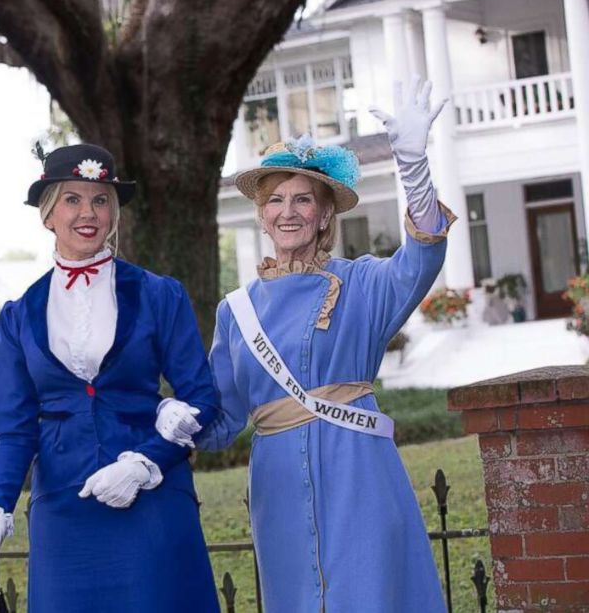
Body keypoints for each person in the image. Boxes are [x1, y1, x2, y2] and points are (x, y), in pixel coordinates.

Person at [157, 76, 451, 612]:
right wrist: (176, 417)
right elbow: (221, 423)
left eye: (302, 200)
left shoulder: (363, 285)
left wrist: (414, 168)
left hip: (360, 472)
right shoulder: (235, 311)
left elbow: (422, 259)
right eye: (275, 201)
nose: (288, 211)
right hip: (279, 487)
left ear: (324, 215)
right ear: (262, 215)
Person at [0, 143, 221, 612]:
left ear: (114, 212)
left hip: (151, 499)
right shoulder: (19, 316)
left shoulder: (160, 295)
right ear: (48, 214)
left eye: (101, 200)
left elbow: (202, 398)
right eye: (73, 200)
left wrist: (145, 463)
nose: (88, 213)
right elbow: (16, 429)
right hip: (64, 512)